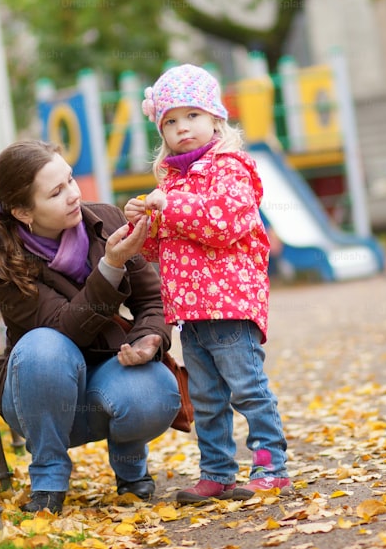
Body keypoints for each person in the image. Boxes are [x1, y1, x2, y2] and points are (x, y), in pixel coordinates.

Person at [0, 139, 180, 514]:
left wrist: (148, 339)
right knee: (45, 347)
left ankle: (131, 468)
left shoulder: (106, 221)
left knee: (156, 391)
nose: (73, 194)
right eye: (56, 192)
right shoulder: (0, 262)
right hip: (37, 393)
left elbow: (152, 300)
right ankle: (49, 479)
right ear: (23, 211)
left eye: (69, 180)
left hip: (105, 380)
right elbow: (65, 329)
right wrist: (111, 266)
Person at [124, 64, 290, 504]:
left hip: (230, 305)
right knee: (207, 398)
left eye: (191, 116)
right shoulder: (173, 181)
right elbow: (163, 250)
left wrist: (169, 205)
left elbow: (222, 223)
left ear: (216, 119)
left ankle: (271, 466)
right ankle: (217, 472)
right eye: (171, 122)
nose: (182, 129)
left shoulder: (231, 168)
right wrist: (144, 227)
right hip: (191, 312)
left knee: (247, 389)